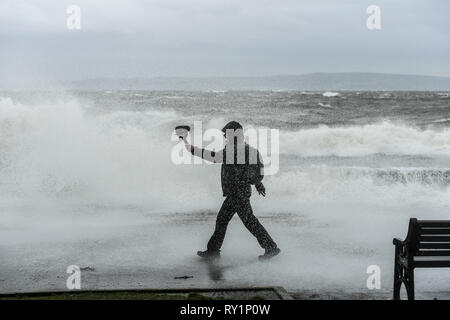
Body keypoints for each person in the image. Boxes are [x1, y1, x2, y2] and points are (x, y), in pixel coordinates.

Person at [181, 121, 280, 260]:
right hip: (241, 192)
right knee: (228, 220)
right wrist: (258, 183)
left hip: (237, 194)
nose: (225, 137)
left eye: (226, 135)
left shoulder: (234, 150)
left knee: (244, 221)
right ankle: (213, 250)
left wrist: (190, 147)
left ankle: (270, 247)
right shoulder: (249, 149)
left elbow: (213, 157)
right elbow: (255, 170)